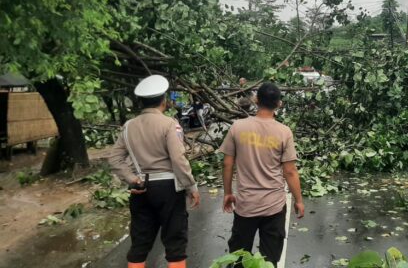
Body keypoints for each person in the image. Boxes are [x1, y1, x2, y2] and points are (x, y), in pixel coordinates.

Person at [109, 75, 201, 268]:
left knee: (140, 243)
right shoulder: (169, 124)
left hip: (140, 188)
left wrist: (132, 180)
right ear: (164, 100)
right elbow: (178, 159)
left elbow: (115, 159)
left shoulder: (128, 127)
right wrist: (191, 186)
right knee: (175, 243)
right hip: (169, 189)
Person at [219, 82, 304, 267]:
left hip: (245, 205)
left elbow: (227, 163)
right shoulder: (284, 132)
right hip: (273, 206)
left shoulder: (237, 127)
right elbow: (289, 171)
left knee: (239, 258)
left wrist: (227, 193)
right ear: (279, 104)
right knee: (269, 259)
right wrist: (298, 200)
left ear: (256, 100)